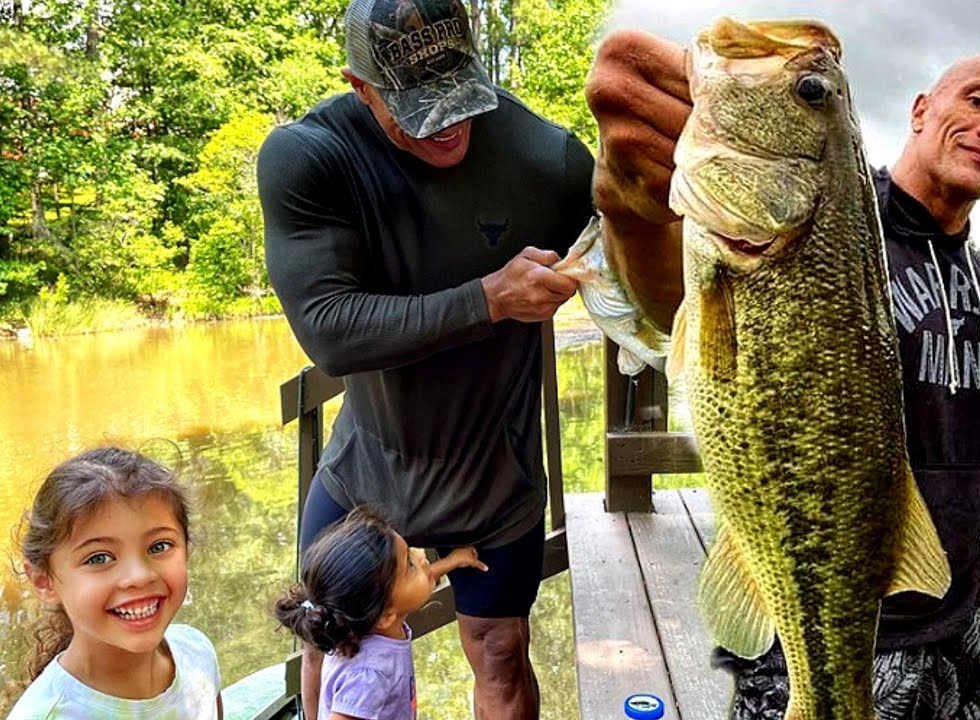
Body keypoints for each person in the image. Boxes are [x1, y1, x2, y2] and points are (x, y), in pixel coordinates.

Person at [584, 30, 980, 720]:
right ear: (920, 110)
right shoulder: (826, 223)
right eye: (978, 101)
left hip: (963, 617)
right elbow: (669, 307)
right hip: (823, 621)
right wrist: (631, 210)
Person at [255, 0, 594, 714]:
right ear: (361, 88)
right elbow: (330, 330)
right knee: (326, 643)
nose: (447, 124)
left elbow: (639, 270)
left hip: (494, 480)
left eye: (459, 95)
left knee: (501, 650)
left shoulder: (549, 161)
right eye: (417, 106)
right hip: (364, 476)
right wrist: (490, 299)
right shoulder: (310, 157)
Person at [6, 447, 223, 720]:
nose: (139, 576)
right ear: (44, 581)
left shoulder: (197, 653)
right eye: (98, 558)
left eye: (159, 546)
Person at [274, 506, 488, 720]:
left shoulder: (365, 622)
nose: (421, 558)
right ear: (385, 616)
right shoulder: (369, 675)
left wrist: (453, 561)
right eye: (410, 564)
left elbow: (416, 583)